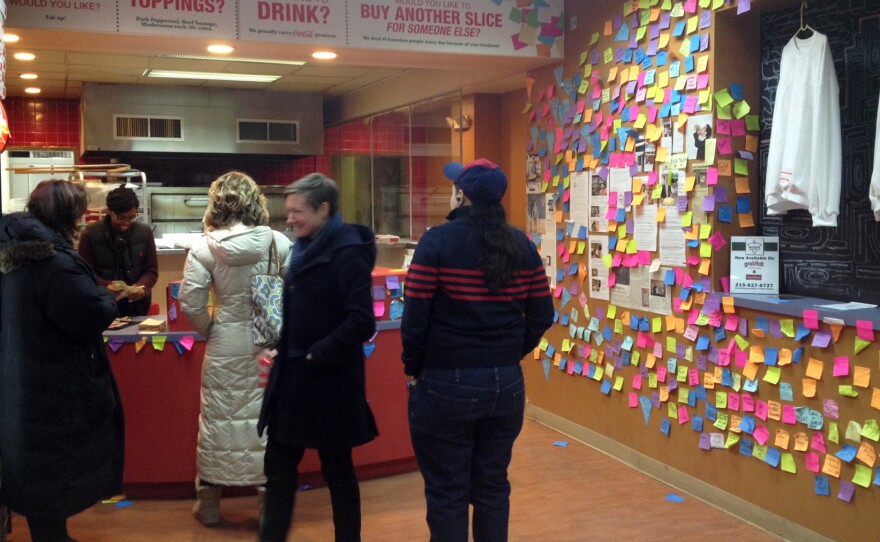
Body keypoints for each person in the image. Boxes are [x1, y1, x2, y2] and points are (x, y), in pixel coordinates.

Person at [401, 158, 555, 541]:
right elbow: (542, 313)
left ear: (461, 195)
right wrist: (508, 352)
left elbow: (415, 318)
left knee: (448, 493)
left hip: (445, 382)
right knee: (491, 488)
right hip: (505, 384)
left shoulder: (436, 241)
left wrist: (414, 366)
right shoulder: (521, 244)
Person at [0, 179, 124, 542]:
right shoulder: (54, 263)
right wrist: (107, 297)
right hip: (53, 383)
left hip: (21, 376)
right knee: (53, 467)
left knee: (35, 467)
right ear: (67, 215)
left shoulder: (13, 249)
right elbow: (87, 313)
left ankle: (49, 533)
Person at [257, 173, 378, 542]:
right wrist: (280, 345)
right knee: (278, 468)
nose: (289, 218)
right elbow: (304, 310)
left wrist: (314, 355)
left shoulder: (347, 250)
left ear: (324, 209)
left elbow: (361, 320)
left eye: (297, 212)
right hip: (293, 379)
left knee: (337, 470)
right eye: (288, 211)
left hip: (328, 382)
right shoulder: (305, 245)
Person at [178, 171, 293, 527]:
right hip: (267, 345)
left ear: (216, 204)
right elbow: (294, 295)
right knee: (264, 424)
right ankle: (265, 508)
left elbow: (190, 302)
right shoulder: (279, 242)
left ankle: (209, 506)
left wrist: (211, 328)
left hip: (224, 343)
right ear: (255, 200)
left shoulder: (204, 247)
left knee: (216, 422)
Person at [78, 186, 158, 316]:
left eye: (132, 217)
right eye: (121, 218)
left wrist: (141, 287)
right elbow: (85, 273)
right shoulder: (90, 234)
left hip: (138, 307)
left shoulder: (144, 233)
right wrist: (108, 286)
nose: (126, 223)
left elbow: (151, 270)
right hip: (102, 305)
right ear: (109, 211)